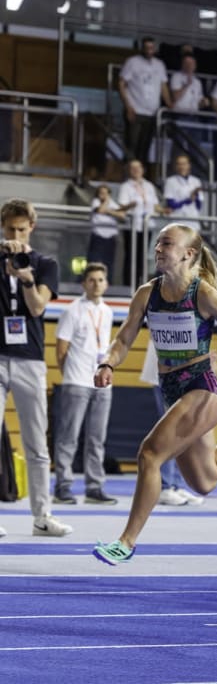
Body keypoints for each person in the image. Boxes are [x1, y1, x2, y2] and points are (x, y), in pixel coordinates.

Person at [91, 222, 217, 564]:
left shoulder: (205, 295)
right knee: (205, 481)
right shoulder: (146, 293)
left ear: (188, 253)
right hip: (173, 392)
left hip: (203, 390)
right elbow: (124, 340)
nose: (158, 249)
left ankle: (126, 541)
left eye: (166, 244)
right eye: (156, 243)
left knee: (149, 454)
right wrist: (108, 363)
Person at [0, 198, 72, 537]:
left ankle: (42, 516)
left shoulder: (44, 263)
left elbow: (38, 308)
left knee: (36, 444)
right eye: (10, 228)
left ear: (32, 229)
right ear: (3, 228)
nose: (16, 234)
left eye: (21, 229)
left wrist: (25, 277)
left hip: (29, 359)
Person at [52, 262, 117, 506]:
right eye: (91, 280)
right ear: (84, 284)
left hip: (102, 384)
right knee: (68, 437)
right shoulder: (73, 311)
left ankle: (94, 488)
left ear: (106, 283)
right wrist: (70, 375)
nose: (96, 284)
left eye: (100, 280)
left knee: (96, 439)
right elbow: (61, 350)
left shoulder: (108, 311)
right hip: (77, 381)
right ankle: (63, 487)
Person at [139, 342, 204, 506]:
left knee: (182, 432)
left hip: (185, 375)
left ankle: (176, 484)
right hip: (167, 374)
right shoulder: (169, 316)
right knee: (170, 431)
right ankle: (164, 486)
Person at [119, 36, 171, 162]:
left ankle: (141, 178)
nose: (149, 50)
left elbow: (163, 86)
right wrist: (128, 106)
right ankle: (128, 176)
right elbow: (121, 84)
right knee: (132, 144)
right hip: (135, 110)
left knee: (145, 147)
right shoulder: (132, 62)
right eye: (146, 47)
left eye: (151, 47)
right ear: (142, 48)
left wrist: (169, 103)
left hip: (152, 113)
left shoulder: (159, 65)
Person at [117, 159, 166, 291]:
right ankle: (128, 285)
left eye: (138, 167)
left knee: (142, 256)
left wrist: (164, 210)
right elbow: (122, 206)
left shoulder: (148, 185)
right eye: (133, 168)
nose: (136, 170)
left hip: (146, 225)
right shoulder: (125, 186)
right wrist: (131, 205)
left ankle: (140, 285)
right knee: (131, 255)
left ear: (143, 170)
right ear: (129, 171)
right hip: (132, 226)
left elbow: (155, 205)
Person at [87, 184, 127, 283]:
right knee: (94, 262)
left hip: (110, 238)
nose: (103, 195)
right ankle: (91, 281)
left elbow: (122, 215)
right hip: (98, 236)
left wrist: (109, 210)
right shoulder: (95, 202)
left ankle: (107, 283)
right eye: (101, 193)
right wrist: (107, 204)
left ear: (109, 194)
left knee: (109, 263)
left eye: (106, 193)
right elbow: (100, 210)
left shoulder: (113, 203)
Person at [162, 153, 204, 231]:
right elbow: (171, 204)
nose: (182, 167)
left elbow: (199, 206)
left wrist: (196, 195)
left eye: (184, 164)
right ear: (175, 167)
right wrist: (188, 200)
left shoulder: (196, 181)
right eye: (179, 164)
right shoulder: (170, 181)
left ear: (189, 165)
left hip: (193, 221)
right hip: (177, 220)